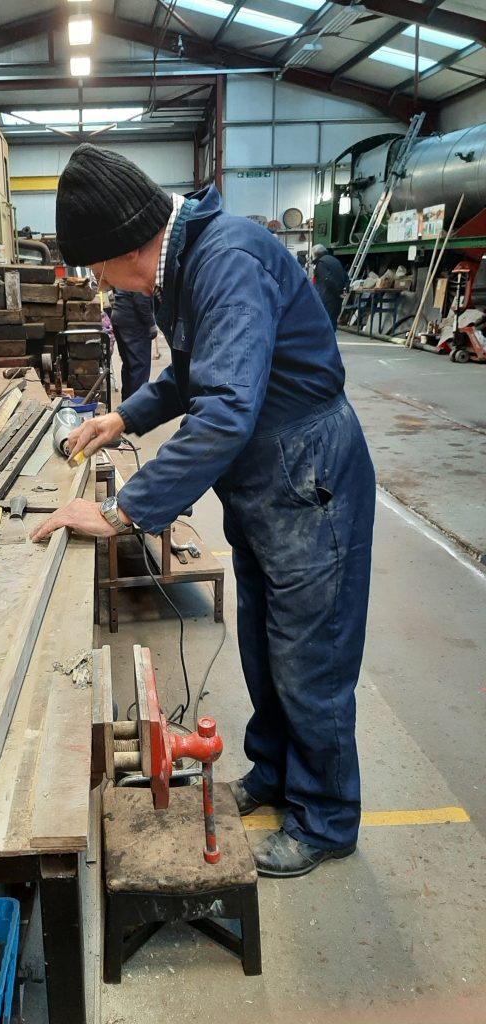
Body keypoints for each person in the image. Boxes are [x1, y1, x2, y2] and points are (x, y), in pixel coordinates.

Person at [30, 144, 375, 879]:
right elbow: (194, 374)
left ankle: (326, 816)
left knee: (311, 655)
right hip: (267, 481)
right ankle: (277, 774)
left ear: (129, 248)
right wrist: (125, 419)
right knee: (266, 642)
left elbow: (223, 415)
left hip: (308, 474)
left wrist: (126, 511)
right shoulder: (188, 264)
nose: (104, 286)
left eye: (99, 271)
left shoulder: (227, 261)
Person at [110, 287, 158, 399]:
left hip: (120, 314)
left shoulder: (123, 268)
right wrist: (151, 324)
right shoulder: (140, 269)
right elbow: (141, 298)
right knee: (139, 370)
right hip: (133, 321)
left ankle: (125, 409)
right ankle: (134, 411)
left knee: (129, 368)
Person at [311, 243, 349, 330]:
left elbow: (327, 279)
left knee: (325, 324)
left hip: (327, 298)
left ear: (315, 254)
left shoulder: (321, 263)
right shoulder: (335, 261)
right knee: (332, 323)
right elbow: (346, 277)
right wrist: (344, 291)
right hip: (336, 300)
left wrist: (337, 292)